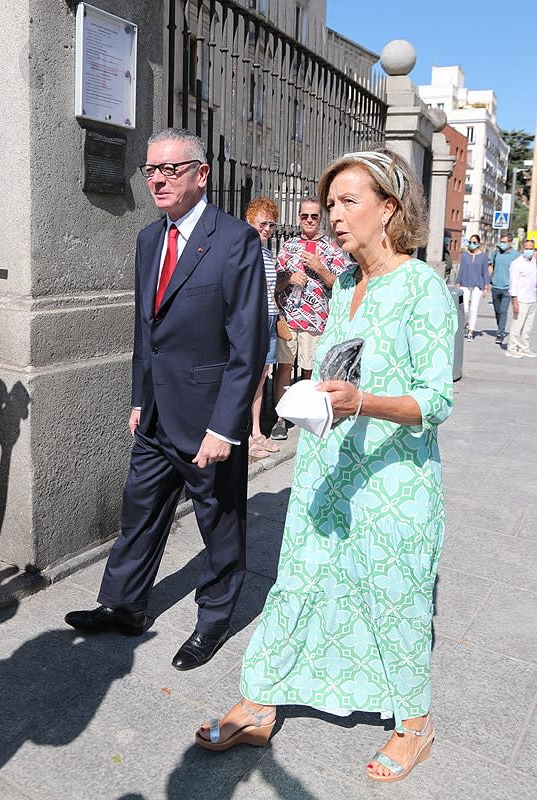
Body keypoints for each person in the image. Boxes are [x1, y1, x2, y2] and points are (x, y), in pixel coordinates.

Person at [195, 148, 457, 784]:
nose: (334, 217)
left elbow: (438, 400)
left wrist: (363, 402)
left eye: (349, 203)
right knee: (302, 581)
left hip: (394, 479)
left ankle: (414, 725)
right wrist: (316, 399)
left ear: (388, 208)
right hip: (330, 464)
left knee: (393, 596)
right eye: (330, 204)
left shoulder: (421, 286)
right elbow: (344, 367)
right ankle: (259, 699)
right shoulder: (343, 283)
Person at [65, 128, 268, 671]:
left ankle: (214, 619)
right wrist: (138, 397)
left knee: (219, 523)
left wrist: (227, 428)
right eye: (150, 169)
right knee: (140, 513)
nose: (157, 178)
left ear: (202, 174)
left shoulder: (236, 240)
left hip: (208, 420)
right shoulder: (149, 239)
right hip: (154, 414)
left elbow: (247, 343)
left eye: (170, 169)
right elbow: (145, 330)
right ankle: (123, 604)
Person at [270, 198, 351, 440]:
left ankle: (307, 415)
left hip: (316, 319)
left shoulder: (332, 248)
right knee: (284, 367)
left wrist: (320, 268)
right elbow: (274, 284)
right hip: (288, 318)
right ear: (298, 218)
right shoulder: (289, 246)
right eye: (304, 216)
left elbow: (342, 286)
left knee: (310, 371)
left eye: (314, 217)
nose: (309, 221)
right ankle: (281, 418)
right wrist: (289, 279)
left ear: (320, 219)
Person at [245, 197, 281, 459]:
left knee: (262, 376)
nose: (268, 229)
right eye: (263, 223)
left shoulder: (267, 253)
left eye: (272, 224)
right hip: (254, 319)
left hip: (270, 317)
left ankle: (257, 432)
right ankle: (246, 433)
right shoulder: (246, 250)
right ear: (250, 221)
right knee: (249, 377)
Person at [506, 239, 536, 359]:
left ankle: (524, 347)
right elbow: (513, 283)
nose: (530, 251)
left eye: (531, 249)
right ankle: (512, 348)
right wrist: (514, 300)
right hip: (521, 299)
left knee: (527, 327)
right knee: (517, 325)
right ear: (522, 249)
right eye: (527, 248)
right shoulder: (516, 263)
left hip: (531, 298)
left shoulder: (533, 262)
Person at [456, 234, 489, 340]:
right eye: (470, 242)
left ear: (478, 243)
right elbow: (461, 270)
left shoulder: (483, 256)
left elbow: (485, 272)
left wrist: (486, 287)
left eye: (474, 242)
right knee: (464, 308)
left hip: (478, 285)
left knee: (474, 309)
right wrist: (458, 283)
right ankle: (466, 324)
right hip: (465, 284)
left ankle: (471, 331)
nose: (472, 244)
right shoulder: (465, 255)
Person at [490, 232, 518, 344]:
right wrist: (488, 279)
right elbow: (491, 266)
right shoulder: (496, 253)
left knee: (503, 310)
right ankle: (500, 327)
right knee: (497, 311)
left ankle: (500, 333)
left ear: (510, 243)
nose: (502, 244)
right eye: (501, 242)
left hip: (507, 288)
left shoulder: (516, 255)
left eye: (504, 242)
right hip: (495, 286)